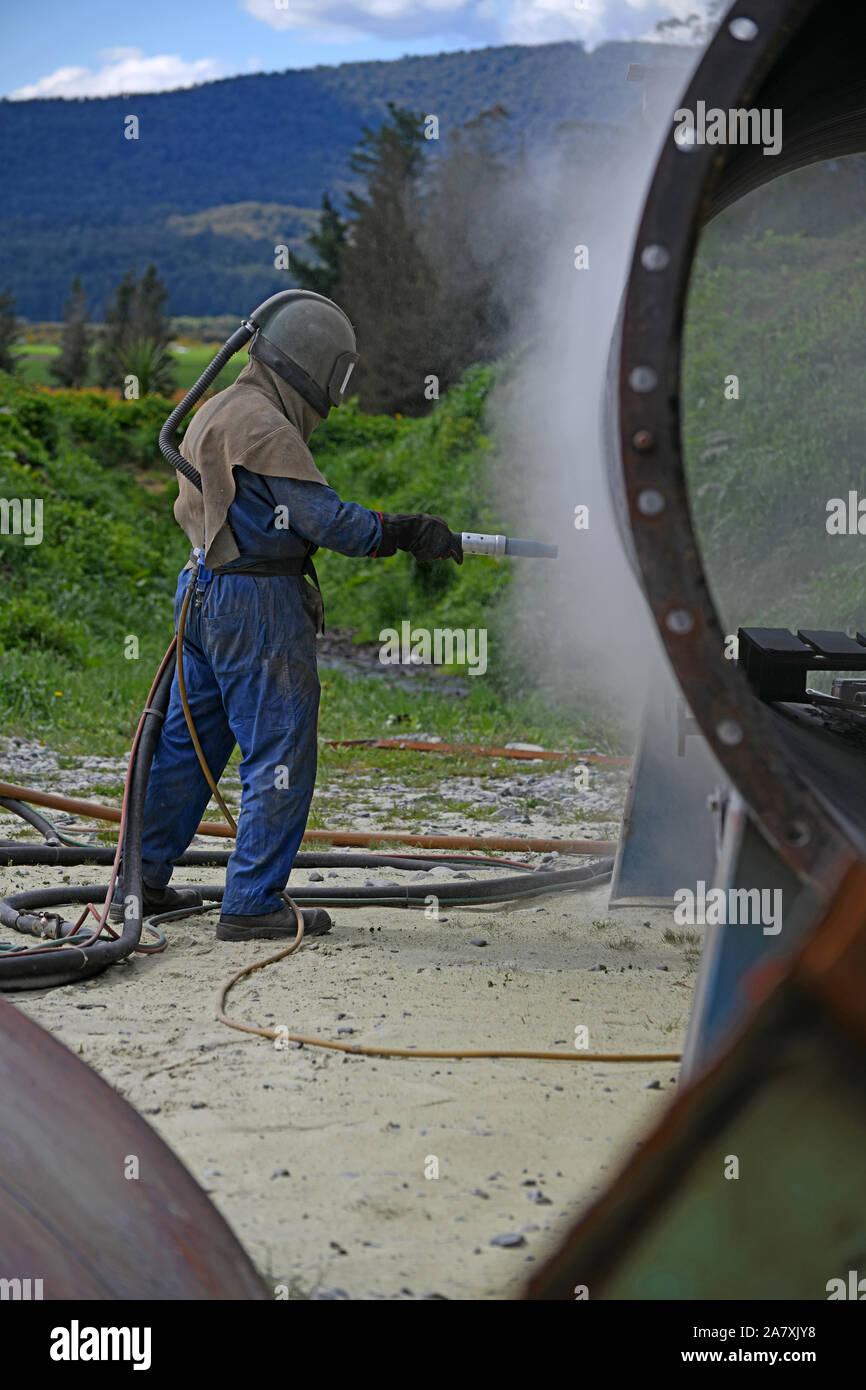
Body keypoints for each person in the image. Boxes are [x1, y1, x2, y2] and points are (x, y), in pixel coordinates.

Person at [117, 291, 462, 941]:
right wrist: (408, 531)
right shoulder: (266, 426)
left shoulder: (220, 405)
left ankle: (143, 881)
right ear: (317, 367)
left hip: (200, 591)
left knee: (187, 747)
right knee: (280, 747)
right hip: (257, 608)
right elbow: (327, 522)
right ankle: (250, 904)